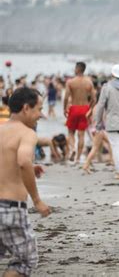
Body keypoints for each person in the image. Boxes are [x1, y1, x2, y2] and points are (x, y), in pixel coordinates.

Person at [0, 87, 51, 276]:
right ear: (26, 108)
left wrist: (31, 165)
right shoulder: (27, 134)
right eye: (39, 109)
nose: (41, 115)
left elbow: (11, 161)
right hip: (11, 209)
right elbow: (22, 161)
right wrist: (37, 200)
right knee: (25, 260)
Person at [63, 62, 96, 163]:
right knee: (81, 135)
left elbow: (66, 97)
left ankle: (72, 149)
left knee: (70, 132)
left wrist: (64, 108)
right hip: (84, 109)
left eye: (75, 68)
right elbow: (94, 99)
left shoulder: (70, 82)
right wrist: (90, 109)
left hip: (74, 108)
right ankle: (77, 159)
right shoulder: (89, 82)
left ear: (78, 69)